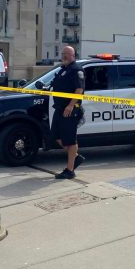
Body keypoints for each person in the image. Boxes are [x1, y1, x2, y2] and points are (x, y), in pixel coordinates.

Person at [50, 45, 85, 179]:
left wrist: (71, 106)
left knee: (70, 140)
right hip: (59, 109)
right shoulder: (63, 69)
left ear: (73, 56)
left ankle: (70, 170)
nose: (64, 55)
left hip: (70, 110)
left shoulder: (77, 70)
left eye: (67, 54)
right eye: (63, 53)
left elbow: (79, 90)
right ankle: (75, 157)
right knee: (55, 137)